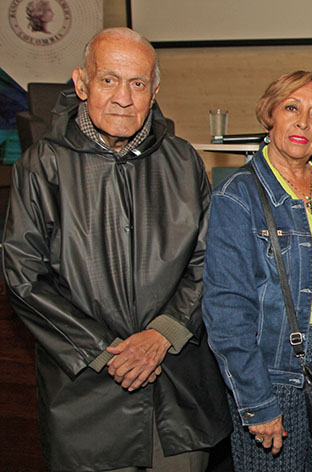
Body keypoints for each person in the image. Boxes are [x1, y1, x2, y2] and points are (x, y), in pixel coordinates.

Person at [2, 27, 231, 471]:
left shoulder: (184, 162)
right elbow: (24, 277)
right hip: (85, 391)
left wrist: (162, 334)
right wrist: (106, 350)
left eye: (138, 83)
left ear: (154, 90)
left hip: (175, 385)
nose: (124, 97)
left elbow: (209, 260)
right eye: (109, 80)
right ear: (81, 83)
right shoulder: (41, 165)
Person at [202, 70, 312, 471]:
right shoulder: (238, 196)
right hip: (276, 372)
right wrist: (256, 403)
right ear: (269, 114)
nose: (303, 122)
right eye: (292, 107)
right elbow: (226, 312)